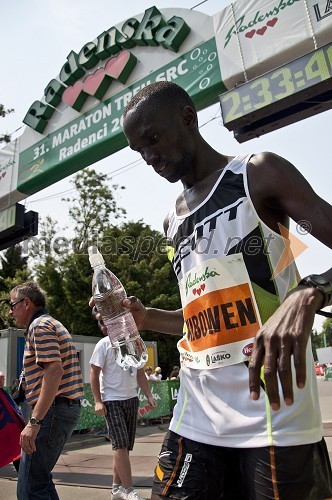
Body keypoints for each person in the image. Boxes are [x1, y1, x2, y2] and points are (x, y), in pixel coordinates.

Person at [115, 81, 332, 499]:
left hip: (273, 409)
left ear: (187, 118)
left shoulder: (257, 173)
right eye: (138, 150)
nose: (149, 157)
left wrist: (311, 290)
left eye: (153, 139)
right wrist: (146, 318)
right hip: (197, 412)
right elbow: (197, 318)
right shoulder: (171, 223)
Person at [9, 281, 84, 500]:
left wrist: (34, 423)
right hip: (58, 409)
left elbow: (54, 371)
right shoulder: (49, 324)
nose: (10, 311)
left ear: (26, 303)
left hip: (52, 411)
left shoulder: (39, 326)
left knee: (30, 488)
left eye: (12, 305)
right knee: (39, 481)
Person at [90, 336, 156, 500]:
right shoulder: (103, 344)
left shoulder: (134, 342)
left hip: (131, 399)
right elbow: (94, 372)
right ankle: (129, 490)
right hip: (111, 400)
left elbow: (140, 372)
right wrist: (98, 401)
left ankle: (116, 489)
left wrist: (148, 395)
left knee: (124, 448)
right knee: (120, 445)